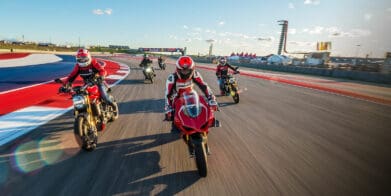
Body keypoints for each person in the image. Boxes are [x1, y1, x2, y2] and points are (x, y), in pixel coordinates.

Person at [164, 56, 217, 155]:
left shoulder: (195, 74)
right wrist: (168, 108)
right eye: (182, 71)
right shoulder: (172, 78)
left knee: (204, 105)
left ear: (192, 69)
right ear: (178, 69)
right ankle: (178, 127)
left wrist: (212, 98)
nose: (185, 73)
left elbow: (204, 86)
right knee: (173, 116)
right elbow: (167, 94)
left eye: (187, 70)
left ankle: (208, 122)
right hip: (177, 98)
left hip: (191, 94)